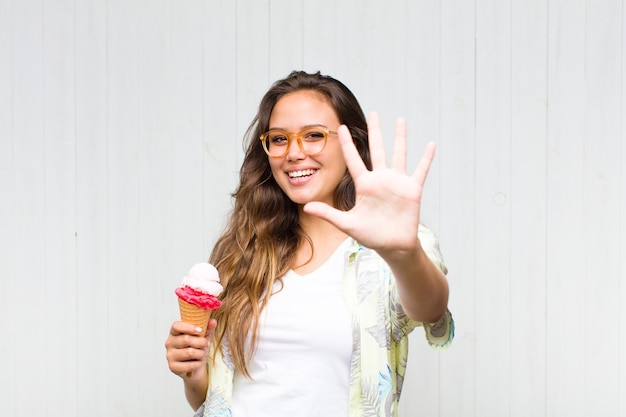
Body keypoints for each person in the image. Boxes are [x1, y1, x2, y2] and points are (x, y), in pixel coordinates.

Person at [165, 70, 454, 417]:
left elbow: (430, 309)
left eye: (314, 135)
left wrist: (404, 256)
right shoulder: (244, 251)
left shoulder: (395, 244)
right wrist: (193, 373)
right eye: (279, 139)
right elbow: (212, 398)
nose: (294, 153)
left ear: (352, 144)